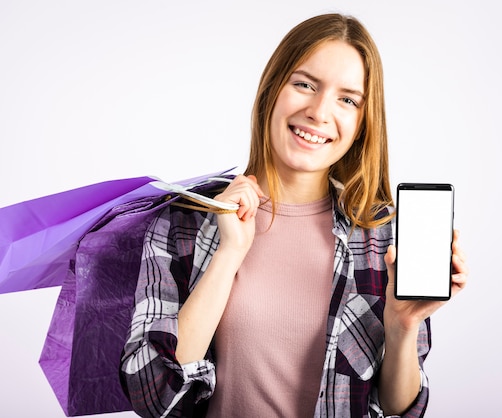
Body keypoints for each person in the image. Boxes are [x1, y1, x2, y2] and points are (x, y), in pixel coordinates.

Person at [120, 13, 468, 418]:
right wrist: (229, 253)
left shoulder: (382, 236)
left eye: (347, 99)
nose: (319, 112)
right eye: (304, 84)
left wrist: (403, 325)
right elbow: (151, 395)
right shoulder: (183, 221)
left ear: (362, 123)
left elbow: (399, 408)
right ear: (272, 90)